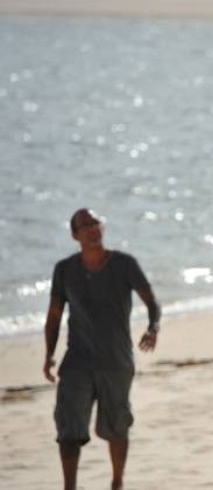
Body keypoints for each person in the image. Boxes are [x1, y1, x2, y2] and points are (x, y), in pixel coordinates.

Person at [44, 208, 161, 490]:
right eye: (85, 225)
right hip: (77, 361)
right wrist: (48, 354)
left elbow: (152, 302)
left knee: (117, 427)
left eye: (95, 222)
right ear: (75, 235)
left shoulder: (124, 264)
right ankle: (69, 487)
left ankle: (117, 483)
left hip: (116, 361)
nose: (92, 227)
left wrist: (153, 327)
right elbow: (54, 316)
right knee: (69, 430)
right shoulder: (65, 270)